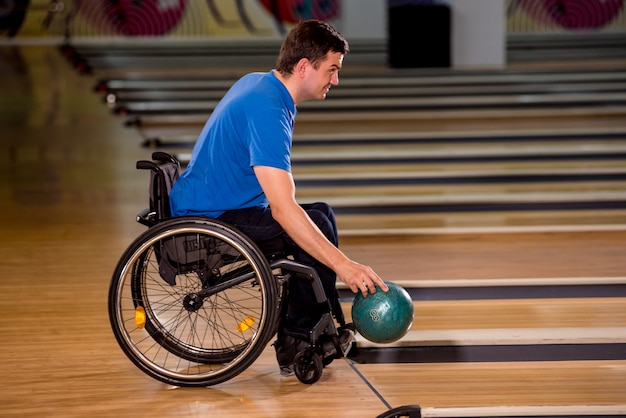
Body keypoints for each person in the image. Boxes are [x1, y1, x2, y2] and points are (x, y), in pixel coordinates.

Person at [169, 19, 388, 375]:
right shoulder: (268, 110)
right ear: (304, 67)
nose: (336, 80)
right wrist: (345, 266)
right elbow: (284, 211)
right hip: (210, 217)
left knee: (321, 213)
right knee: (309, 221)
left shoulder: (261, 83)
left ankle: (322, 324)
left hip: (211, 202)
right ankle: (298, 339)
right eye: (332, 69)